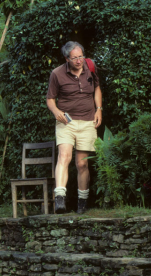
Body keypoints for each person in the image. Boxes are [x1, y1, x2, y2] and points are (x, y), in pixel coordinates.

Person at [46, 41, 102, 214]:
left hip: (87, 121)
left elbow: (97, 89)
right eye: (75, 58)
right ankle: (60, 199)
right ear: (66, 58)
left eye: (81, 56)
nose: (79, 61)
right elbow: (50, 99)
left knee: (82, 164)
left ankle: (82, 203)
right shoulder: (57, 74)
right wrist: (56, 112)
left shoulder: (90, 67)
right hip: (66, 122)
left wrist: (99, 109)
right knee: (64, 156)